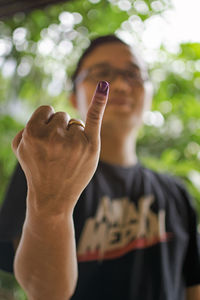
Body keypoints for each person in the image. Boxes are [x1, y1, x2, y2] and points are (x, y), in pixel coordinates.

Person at [0, 35, 200, 300]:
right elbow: (44, 292)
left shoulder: (177, 192)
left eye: (133, 74)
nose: (119, 84)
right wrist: (51, 206)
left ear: (150, 93)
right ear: (73, 96)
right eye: (102, 73)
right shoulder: (42, 169)